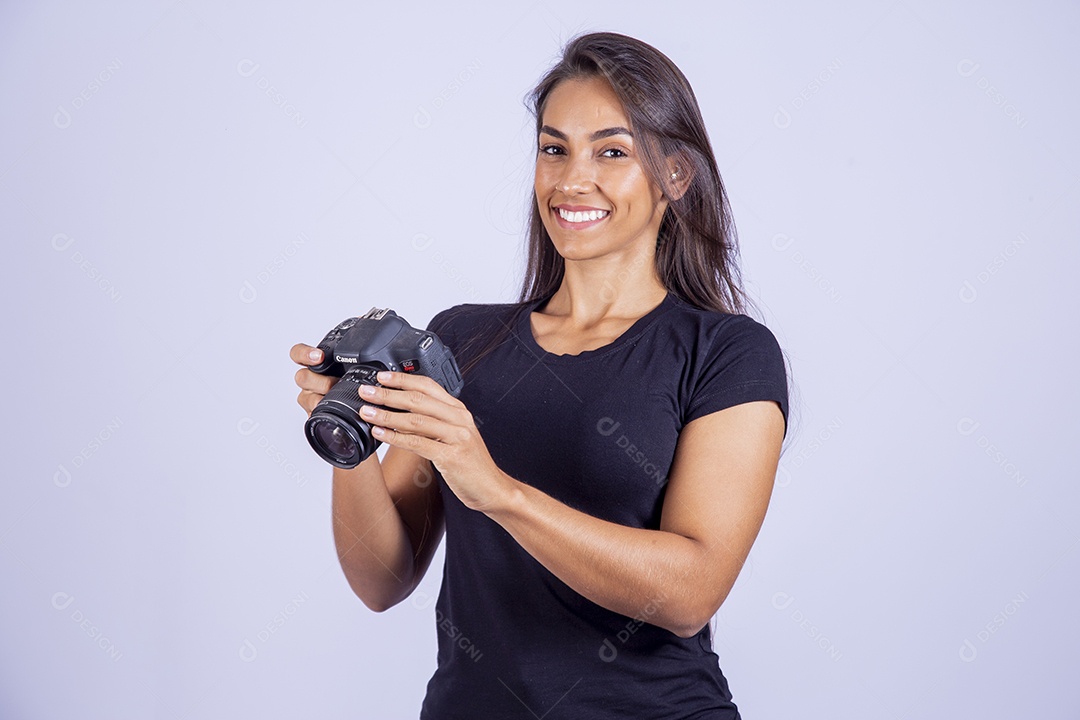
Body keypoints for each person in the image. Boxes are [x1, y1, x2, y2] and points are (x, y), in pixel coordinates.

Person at [291, 31, 788, 720]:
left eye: (611, 151)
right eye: (554, 149)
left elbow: (689, 593)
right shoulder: (461, 339)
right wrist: (349, 438)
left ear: (675, 176)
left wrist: (494, 490)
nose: (571, 179)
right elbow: (381, 579)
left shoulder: (727, 352)